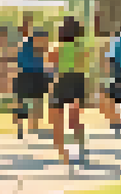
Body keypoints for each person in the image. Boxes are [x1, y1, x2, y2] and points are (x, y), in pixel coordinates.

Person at [48, 17, 89, 167]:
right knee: (75, 120)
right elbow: (83, 66)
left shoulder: (57, 47)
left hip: (62, 81)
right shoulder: (81, 48)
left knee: (57, 120)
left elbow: (50, 64)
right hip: (78, 82)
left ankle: (62, 153)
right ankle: (82, 149)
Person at [14, 22, 52, 140]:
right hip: (36, 74)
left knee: (22, 101)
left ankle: (22, 126)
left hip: (25, 74)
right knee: (36, 101)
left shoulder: (23, 45)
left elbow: (18, 61)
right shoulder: (39, 47)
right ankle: (33, 127)